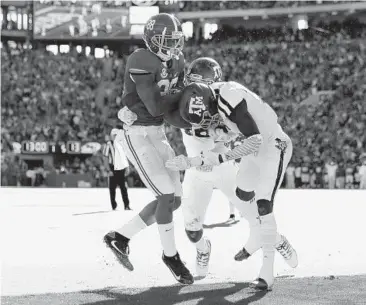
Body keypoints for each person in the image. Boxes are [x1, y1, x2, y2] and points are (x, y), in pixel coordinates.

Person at [166, 81, 298, 291]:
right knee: (243, 193)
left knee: (263, 205)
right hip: (254, 149)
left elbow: (254, 139)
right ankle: (265, 236)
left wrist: (222, 156)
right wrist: (191, 161)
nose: (207, 122)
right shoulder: (213, 97)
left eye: (207, 116)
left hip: (273, 145)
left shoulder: (229, 97)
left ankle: (267, 272)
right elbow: (236, 132)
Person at [103, 13, 194, 285]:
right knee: (166, 195)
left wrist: (189, 105)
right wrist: (185, 96)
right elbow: (155, 107)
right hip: (137, 134)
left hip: (158, 132)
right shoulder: (140, 59)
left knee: (175, 199)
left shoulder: (177, 61)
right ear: (152, 40)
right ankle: (171, 255)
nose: (172, 46)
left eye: (175, 40)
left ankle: (119, 237)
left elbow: (169, 109)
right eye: (167, 40)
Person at [103, 128, 131, 210]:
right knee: (112, 188)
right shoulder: (108, 144)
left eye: (116, 135)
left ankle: (126, 205)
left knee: (124, 188)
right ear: (111, 136)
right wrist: (108, 170)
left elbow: (124, 157)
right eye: (114, 135)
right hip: (112, 167)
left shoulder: (121, 144)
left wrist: (127, 167)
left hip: (121, 168)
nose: (115, 137)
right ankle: (114, 206)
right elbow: (105, 158)